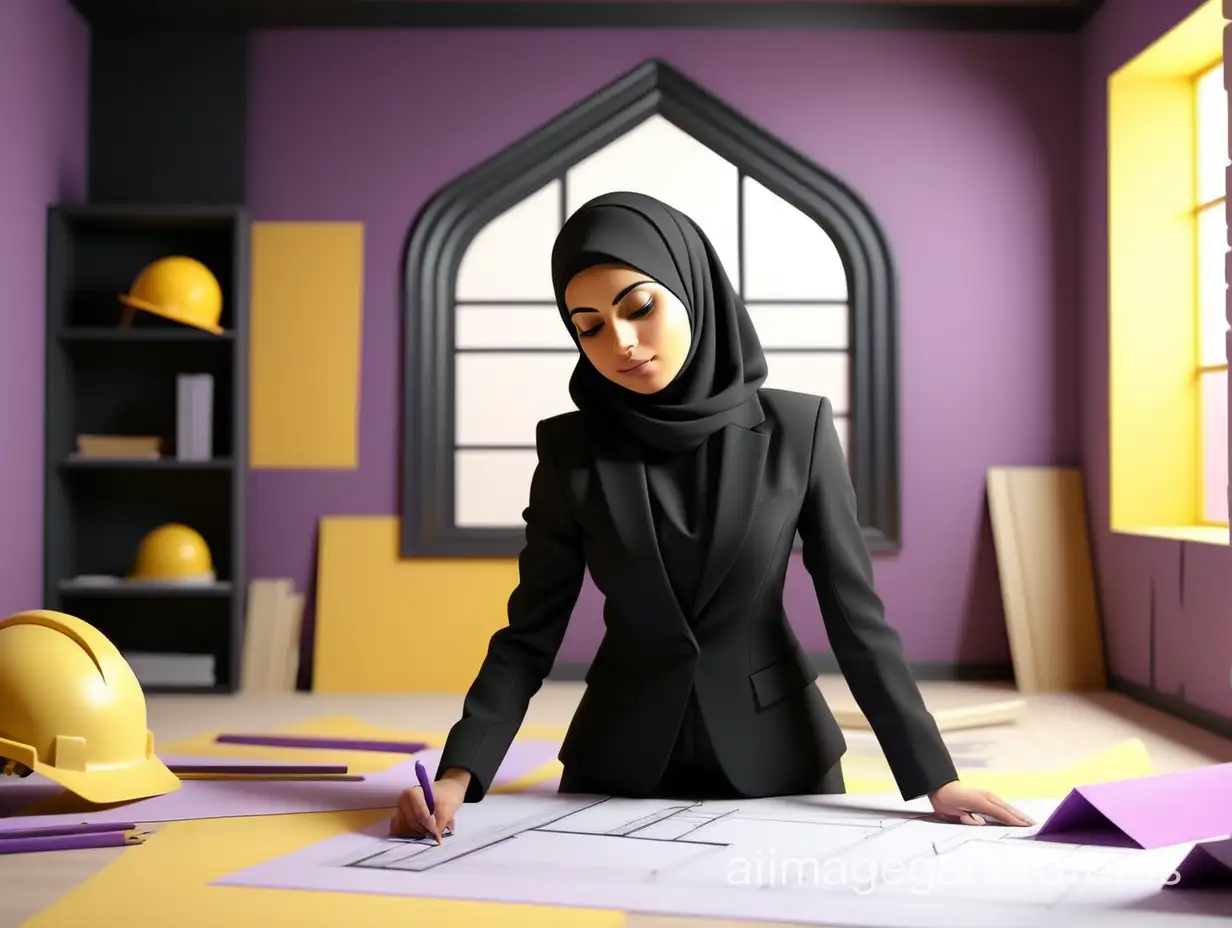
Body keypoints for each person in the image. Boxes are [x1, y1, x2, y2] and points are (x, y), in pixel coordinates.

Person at [391, 191, 1032, 842]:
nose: (622, 343)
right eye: (589, 326)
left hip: (780, 756)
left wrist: (935, 779)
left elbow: (856, 619)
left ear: (693, 289)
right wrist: (458, 775)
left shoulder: (798, 429)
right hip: (619, 760)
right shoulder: (572, 450)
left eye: (639, 307)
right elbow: (529, 634)